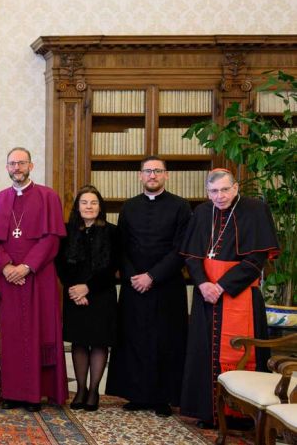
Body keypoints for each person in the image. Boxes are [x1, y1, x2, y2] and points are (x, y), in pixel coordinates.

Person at [179, 169, 279, 428]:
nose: (220, 196)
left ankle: (242, 416)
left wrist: (221, 286)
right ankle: (208, 412)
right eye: (213, 191)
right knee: (204, 351)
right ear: (207, 192)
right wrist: (202, 283)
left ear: (235, 188)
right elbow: (191, 255)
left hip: (240, 293)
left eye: (225, 190)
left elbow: (256, 259)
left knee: (243, 349)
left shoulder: (255, 210)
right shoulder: (202, 212)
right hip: (205, 294)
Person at [105, 156, 191, 417]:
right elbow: (122, 247)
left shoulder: (181, 207)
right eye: (148, 171)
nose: (152, 175)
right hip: (134, 286)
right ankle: (136, 394)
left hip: (166, 285)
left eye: (157, 171)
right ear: (140, 176)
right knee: (134, 338)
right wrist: (134, 276)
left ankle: (163, 397)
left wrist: (152, 276)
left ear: (166, 175)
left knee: (165, 340)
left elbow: (181, 249)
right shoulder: (128, 207)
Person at [0, 147, 67, 412]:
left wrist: (27, 267)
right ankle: (11, 392)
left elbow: (52, 238)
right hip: (9, 280)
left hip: (39, 278)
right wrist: (8, 266)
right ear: (7, 168)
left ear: (31, 166)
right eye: (12, 164)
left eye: (21, 163)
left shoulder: (48, 196)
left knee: (40, 331)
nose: (16, 168)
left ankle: (36, 394)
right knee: (12, 336)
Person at [55, 185, 119, 412]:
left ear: (100, 207)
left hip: (102, 295)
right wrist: (75, 290)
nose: (89, 207)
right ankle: (80, 389)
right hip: (74, 296)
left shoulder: (112, 232)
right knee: (79, 342)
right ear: (77, 207)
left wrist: (88, 288)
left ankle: (94, 391)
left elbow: (113, 266)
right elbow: (60, 264)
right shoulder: (66, 231)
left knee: (100, 343)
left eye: (93, 203)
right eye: (84, 203)